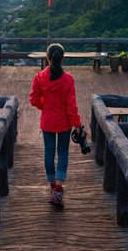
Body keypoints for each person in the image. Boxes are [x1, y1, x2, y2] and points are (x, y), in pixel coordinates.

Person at [30, 43, 86, 207]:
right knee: (62, 153)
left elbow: (33, 100)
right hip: (64, 123)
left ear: (47, 58)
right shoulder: (68, 79)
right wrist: (77, 124)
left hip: (47, 121)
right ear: (63, 59)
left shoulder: (39, 77)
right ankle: (59, 190)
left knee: (48, 153)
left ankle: (52, 187)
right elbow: (71, 106)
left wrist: (45, 106)